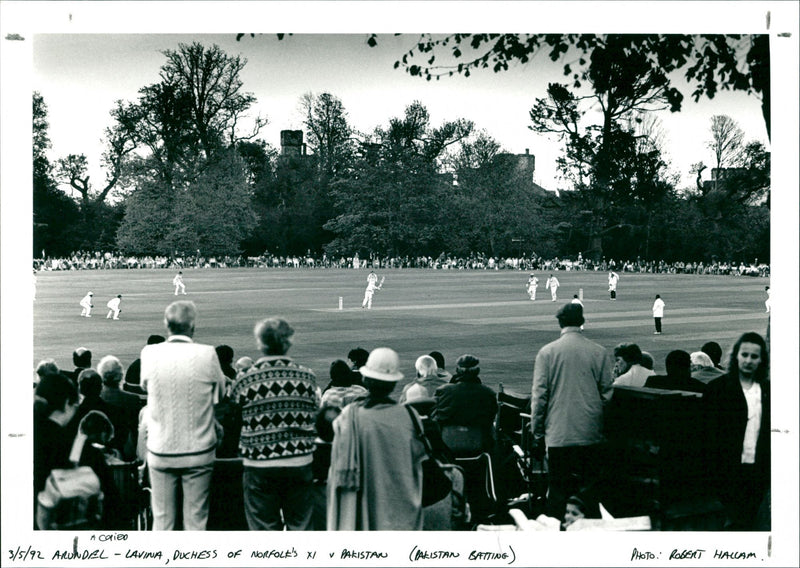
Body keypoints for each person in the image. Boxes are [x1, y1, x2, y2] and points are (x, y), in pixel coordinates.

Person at [141, 301, 226, 530]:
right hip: (198, 451)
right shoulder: (207, 354)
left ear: (166, 324)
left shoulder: (150, 353)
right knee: (196, 522)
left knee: (162, 521)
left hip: (161, 449)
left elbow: (144, 386)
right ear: (192, 326)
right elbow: (220, 394)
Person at [229, 317, 319, 531]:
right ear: (288, 343)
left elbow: (234, 418)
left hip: (259, 463)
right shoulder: (307, 377)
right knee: (302, 527)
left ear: (260, 344)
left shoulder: (244, 379)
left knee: (263, 530)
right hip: (299, 461)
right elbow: (313, 413)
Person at [327, 347, 427, 530]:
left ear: (365, 379)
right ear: (394, 384)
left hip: (361, 516)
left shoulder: (348, 418)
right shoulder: (410, 416)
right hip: (402, 515)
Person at [531, 303, 614, 519]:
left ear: (560, 322)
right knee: (589, 492)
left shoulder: (547, 352)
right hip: (590, 433)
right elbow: (607, 395)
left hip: (559, 434)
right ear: (582, 322)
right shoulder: (599, 351)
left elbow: (539, 397)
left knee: (558, 491)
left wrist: (537, 433)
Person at [703, 332, 770, 530]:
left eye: (754, 356)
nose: (749, 360)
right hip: (726, 470)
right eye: (745, 355)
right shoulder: (718, 389)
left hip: (757, 472)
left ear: (761, 360)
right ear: (736, 356)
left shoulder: (768, 390)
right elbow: (707, 432)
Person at [432, 354, 498, 455]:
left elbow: (434, 415)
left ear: (458, 371)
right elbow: (491, 417)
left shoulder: (443, 391)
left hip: (446, 444)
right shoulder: (488, 393)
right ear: (477, 371)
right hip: (479, 444)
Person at [98, 355, 143, 460]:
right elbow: (136, 431)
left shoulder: (95, 398)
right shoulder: (132, 400)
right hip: (126, 452)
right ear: (120, 375)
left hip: (101, 452)